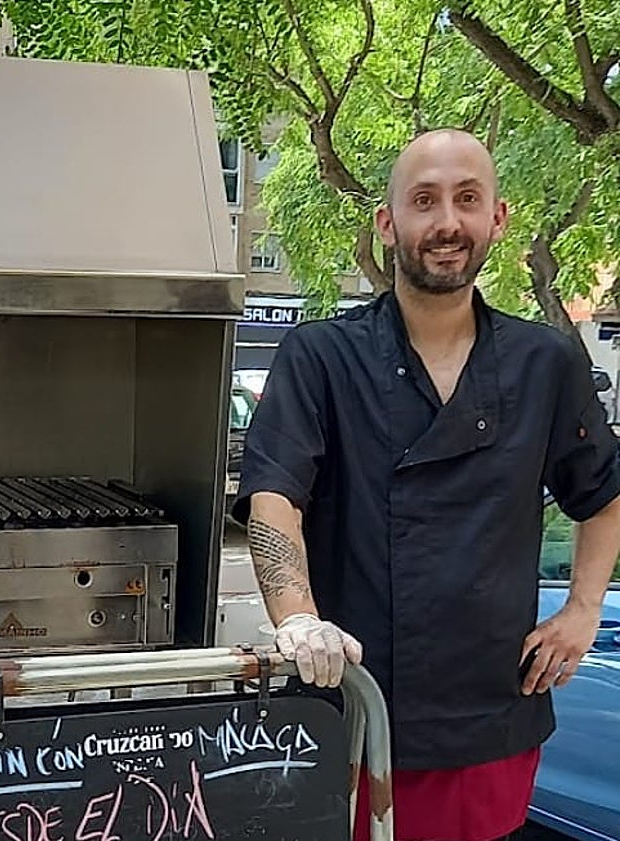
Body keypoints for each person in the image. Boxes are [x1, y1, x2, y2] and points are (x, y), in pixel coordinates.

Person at [232, 128, 620, 841]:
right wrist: (295, 617)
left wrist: (583, 609)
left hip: (490, 713)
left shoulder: (545, 362)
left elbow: (602, 493)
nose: (446, 222)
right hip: (349, 704)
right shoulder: (320, 355)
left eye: (467, 199)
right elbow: (273, 496)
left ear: (496, 218)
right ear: (388, 223)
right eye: (423, 200)